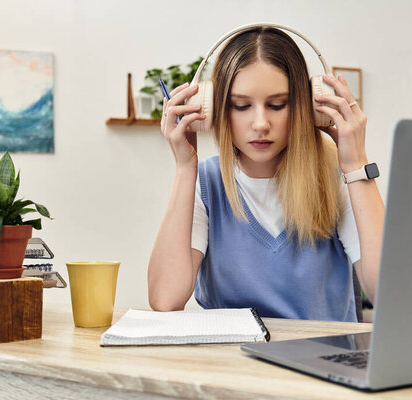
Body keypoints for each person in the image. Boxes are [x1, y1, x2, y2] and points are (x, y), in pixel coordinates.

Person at [148, 25, 384, 322]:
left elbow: (388, 294)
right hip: (233, 365)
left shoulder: (337, 177)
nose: (260, 123)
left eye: (277, 105)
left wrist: (356, 165)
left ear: (305, 106)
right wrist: (185, 168)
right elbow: (165, 300)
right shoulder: (206, 182)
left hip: (319, 363)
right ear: (217, 109)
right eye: (241, 105)